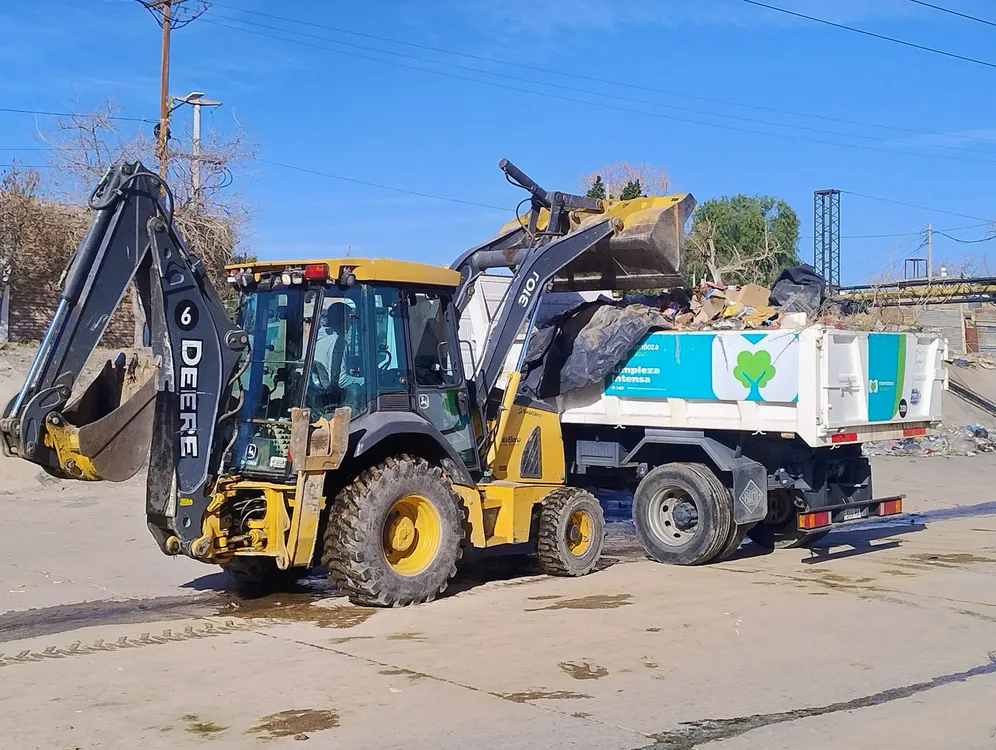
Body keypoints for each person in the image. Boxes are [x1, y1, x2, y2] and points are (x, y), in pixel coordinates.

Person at [312, 299, 363, 393]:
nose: (349, 325)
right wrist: (364, 381)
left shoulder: (315, 337)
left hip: (313, 392)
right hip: (328, 396)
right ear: (341, 321)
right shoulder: (338, 341)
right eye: (348, 321)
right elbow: (340, 380)